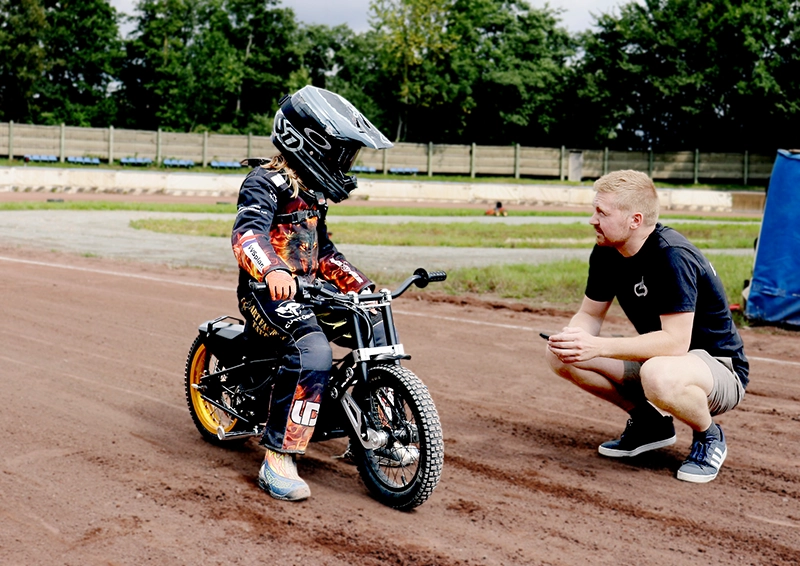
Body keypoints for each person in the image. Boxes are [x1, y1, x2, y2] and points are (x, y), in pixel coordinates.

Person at [231, 85, 393, 501]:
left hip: (310, 291)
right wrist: (272, 270)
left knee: (371, 324)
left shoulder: (313, 194)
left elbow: (324, 252)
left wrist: (360, 285)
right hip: (266, 294)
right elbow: (247, 233)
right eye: (342, 153)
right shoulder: (264, 182)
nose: (346, 164)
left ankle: (370, 426)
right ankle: (278, 458)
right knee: (313, 350)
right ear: (308, 142)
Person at [545, 170, 748, 483]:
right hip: (662, 360)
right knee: (560, 354)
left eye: (602, 212)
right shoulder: (606, 251)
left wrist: (597, 347)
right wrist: (575, 340)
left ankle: (709, 436)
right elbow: (590, 314)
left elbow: (676, 343)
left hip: (718, 368)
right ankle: (650, 423)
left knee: (658, 374)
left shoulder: (671, 256)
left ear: (634, 220)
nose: (592, 220)